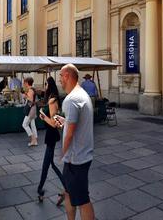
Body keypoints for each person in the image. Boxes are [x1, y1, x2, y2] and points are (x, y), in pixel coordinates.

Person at [55, 64, 95, 220]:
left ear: (67, 76)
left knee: (83, 200)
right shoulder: (81, 94)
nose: (60, 80)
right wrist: (65, 122)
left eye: (60, 76)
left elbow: (70, 134)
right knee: (69, 193)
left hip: (75, 159)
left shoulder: (72, 99)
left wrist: (62, 153)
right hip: (79, 156)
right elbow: (74, 125)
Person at [37, 76, 66, 205]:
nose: (44, 86)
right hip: (51, 135)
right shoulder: (51, 98)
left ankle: (40, 190)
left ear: (49, 85)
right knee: (50, 164)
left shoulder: (53, 100)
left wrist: (43, 117)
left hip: (52, 134)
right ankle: (66, 187)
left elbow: (54, 123)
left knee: (46, 165)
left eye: (45, 84)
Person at [22, 77, 38, 146]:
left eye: (24, 82)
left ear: (27, 83)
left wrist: (25, 96)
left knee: (24, 124)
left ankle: (33, 139)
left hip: (30, 109)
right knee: (32, 125)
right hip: (33, 109)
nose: (24, 84)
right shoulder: (32, 89)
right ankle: (35, 141)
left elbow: (30, 100)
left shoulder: (31, 90)